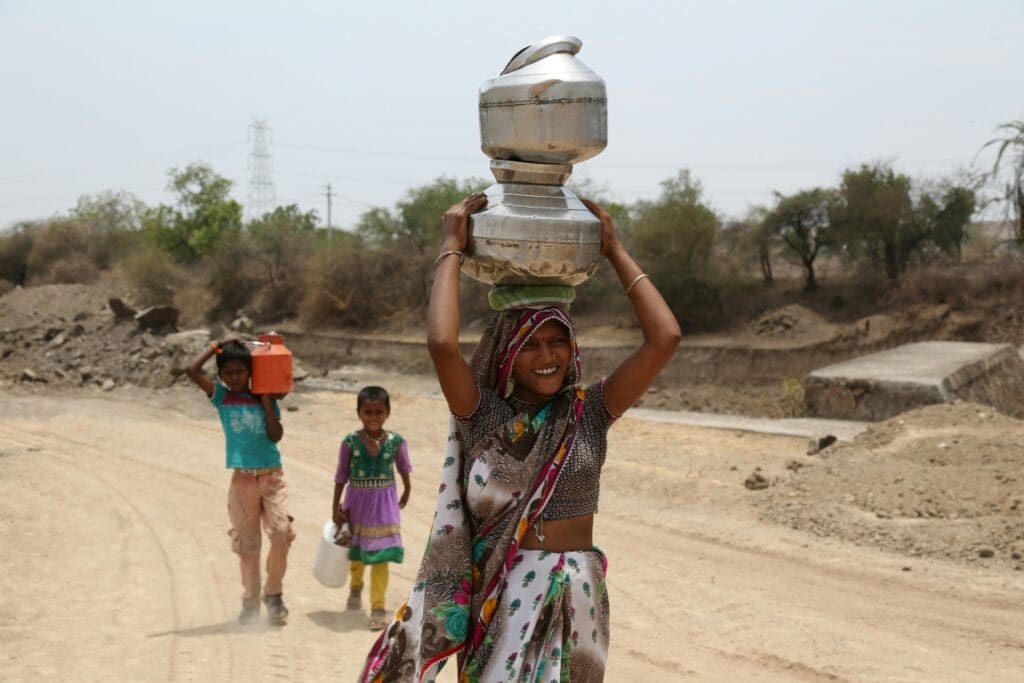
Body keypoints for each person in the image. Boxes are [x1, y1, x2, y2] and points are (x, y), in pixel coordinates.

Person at [360, 193, 681, 681]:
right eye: (529, 344)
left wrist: (614, 250)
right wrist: (451, 247)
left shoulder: (589, 412)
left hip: (578, 597)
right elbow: (443, 345)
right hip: (505, 596)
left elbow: (665, 339)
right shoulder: (484, 419)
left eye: (556, 340)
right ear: (506, 354)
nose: (545, 354)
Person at [185, 338, 295, 626]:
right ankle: (250, 601)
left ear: (251, 371)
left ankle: (274, 595)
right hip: (242, 480)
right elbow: (192, 370)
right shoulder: (222, 397)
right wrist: (215, 346)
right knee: (248, 546)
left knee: (281, 533)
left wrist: (265, 400)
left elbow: (275, 435)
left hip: (272, 476)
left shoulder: (267, 397)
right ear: (221, 376)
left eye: (240, 372)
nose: (234, 378)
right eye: (228, 373)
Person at [332, 385, 412, 631]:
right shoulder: (350, 442)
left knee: (382, 556)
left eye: (379, 412)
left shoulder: (397, 442)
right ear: (359, 413)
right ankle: (355, 589)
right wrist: (335, 505)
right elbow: (341, 475)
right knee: (357, 552)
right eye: (368, 412)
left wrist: (407, 489)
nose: (373, 417)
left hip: (384, 504)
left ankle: (378, 607)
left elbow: (403, 468)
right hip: (356, 503)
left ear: (387, 413)